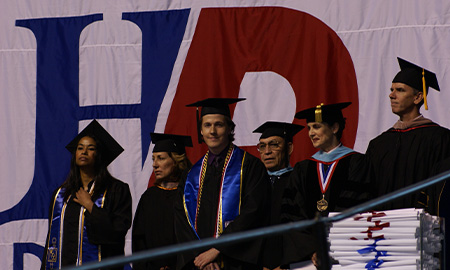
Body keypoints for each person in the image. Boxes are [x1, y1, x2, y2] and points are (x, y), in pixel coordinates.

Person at [365, 58, 450, 267]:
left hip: (423, 240)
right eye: (391, 89)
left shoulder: (441, 139)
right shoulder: (378, 144)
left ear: (418, 97)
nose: (391, 95)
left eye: (400, 90)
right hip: (382, 239)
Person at [175, 98, 270, 270]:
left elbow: (253, 212)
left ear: (229, 129)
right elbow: (182, 220)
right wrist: (201, 256)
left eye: (218, 124)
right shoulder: (190, 175)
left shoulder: (249, 167)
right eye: (207, 125)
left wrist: (218, 249)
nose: (212, 131)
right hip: (200, 265)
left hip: (237, 262)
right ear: (201, 131)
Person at [281, 102, 371, 267]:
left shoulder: (356, 162)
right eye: (309, 128)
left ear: (335, 127)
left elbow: (355, 204)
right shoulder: (303, 168)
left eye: (316, 126)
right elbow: (292, 212)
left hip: (345, 252)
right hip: (307, 257)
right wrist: (312, 248)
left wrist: (330, 246)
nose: (311, 133)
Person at [41, 120, 132, 270]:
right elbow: (52, 240)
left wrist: (90, 206)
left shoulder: (117, 190)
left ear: (99, 155)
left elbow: (117, 232)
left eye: (90, 148)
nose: (84, 152)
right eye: (80, 148)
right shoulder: (62, 194)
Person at [132, 133, 193, 270]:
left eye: (161, 158)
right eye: (153, 159)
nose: (155, 165)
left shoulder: (190, 194)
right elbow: (139, 242)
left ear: (176, 161)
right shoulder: (149, 197)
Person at [252, 121, 304, 270]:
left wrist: (286, 264)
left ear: (289, 148)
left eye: (274, 145)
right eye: (262, 146)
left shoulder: (298, 180)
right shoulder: (254, 184)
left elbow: (302, 228)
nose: (267, 151)